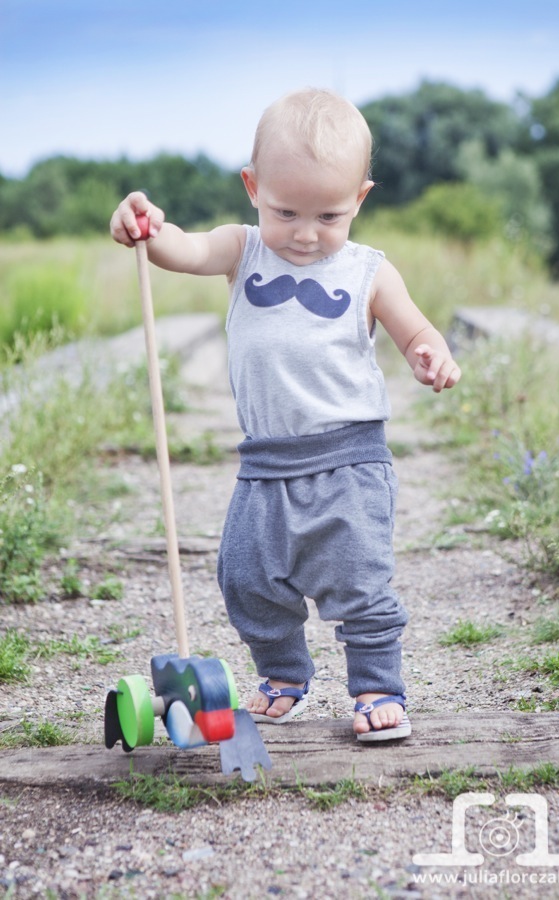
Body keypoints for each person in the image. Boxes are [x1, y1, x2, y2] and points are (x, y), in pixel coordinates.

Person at [110, 87, 461, 741]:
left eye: (329, 215)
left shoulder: (370, 272)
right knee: (245, 576)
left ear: (360, 198)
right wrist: (143, 226)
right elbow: (178, 250)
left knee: (358, 580)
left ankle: (378, 686)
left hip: (348, 458)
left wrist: (429, 354)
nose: (305, 234)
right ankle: (285, 676)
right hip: (265, 458)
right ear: (253, 187)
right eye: (286, 212)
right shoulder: (241, 250)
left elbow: (418, 331)